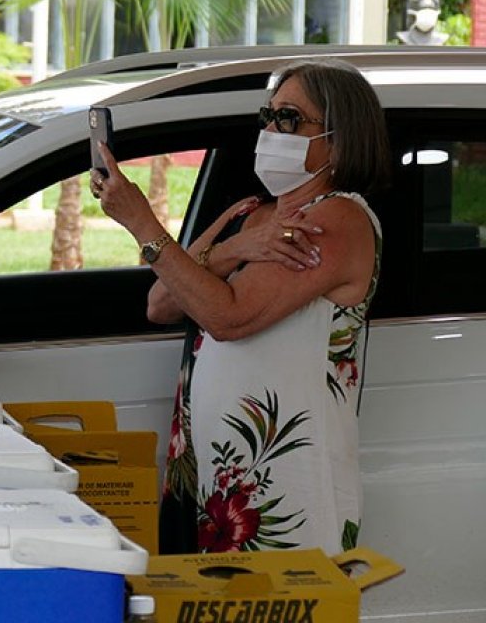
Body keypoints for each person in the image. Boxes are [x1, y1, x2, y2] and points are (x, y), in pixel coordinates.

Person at [92, 59, 389, 555]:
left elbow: (228, 317)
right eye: (267, 116)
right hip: (211, 470)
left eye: (289, 119)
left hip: (282, 487)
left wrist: (143, 222)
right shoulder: (249, 213)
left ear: (339, 139)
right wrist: (232, 249)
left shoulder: (338, 218)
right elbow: (162, 301)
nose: (271, 130)